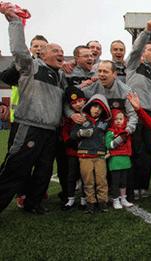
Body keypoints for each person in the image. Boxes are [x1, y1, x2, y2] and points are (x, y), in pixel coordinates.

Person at [0, 7, 67, 214]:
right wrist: (15, 22)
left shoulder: (60, 76)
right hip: (30, 127)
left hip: (51, 132)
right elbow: (19, 50)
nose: (60, 53)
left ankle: (33, 203)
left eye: (61, 51)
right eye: (55, 50)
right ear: (42, 54)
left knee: (44, 170)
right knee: (16, 168)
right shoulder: (31, 67)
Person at [125, 16, 151, 200]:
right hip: (134, 111)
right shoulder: (133, 64)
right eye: (149, 49)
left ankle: (143, 187)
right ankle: (131, 188)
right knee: (134, 149)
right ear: (142, 53)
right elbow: (136, 47)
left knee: (147, 150)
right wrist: (147, 31)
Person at [71, 94, 111, 214]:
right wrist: (80, 133)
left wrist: (108, 149)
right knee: (88, 181)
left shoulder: (105, 122)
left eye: (100, 108)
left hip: (100, 155)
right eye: (94, 106)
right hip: (84, 155)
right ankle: (90, 204)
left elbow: (109, 137)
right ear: (89, 107)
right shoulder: (82, 119)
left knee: (101, 181)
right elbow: (72, 135)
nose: (97, 109)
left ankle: (103, 203)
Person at [61, 86, 87, 210]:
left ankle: (83, 199)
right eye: (74, 103)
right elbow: (65, 131)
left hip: (86, 152)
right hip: (72, 153)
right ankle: (70, 199)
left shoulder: (89, 114)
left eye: (79, 101)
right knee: (71, 176)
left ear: (85, 100)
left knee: (84, 177)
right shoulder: (69, 118)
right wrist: (69, 141)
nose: (77, 104)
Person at [106, 109, 134, 209]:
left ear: (124, 120)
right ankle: (115, 200)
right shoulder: (110, 132)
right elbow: (108, 145)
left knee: (123, 182)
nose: (118, 121)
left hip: (125, 160)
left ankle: (123, 198)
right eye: (116, 119)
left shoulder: (126, 132)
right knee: (115, 182)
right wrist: (118, 139)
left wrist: (123, 135)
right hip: (115, 161)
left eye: (121, 119)